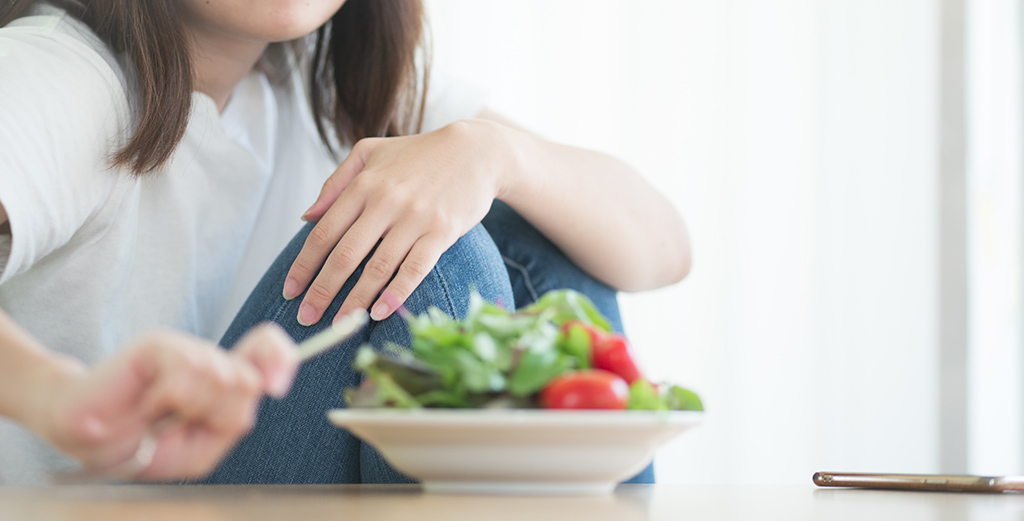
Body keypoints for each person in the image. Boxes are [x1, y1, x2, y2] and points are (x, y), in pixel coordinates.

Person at [0, 0, 692, 486]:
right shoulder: (55, 76)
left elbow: (663, 245)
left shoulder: (324, 83)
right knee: (427, 254)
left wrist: (492, 153)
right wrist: (56, 396)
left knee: (543, 222)